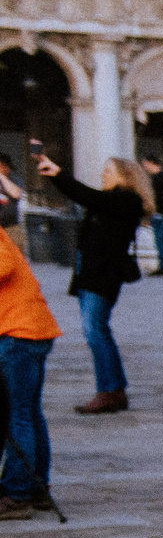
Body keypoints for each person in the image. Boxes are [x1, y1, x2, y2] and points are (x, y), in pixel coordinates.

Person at [40, 152, 145, 415]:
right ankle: (115, 388)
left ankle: (109, 390)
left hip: (103, 275)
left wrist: (58, 174)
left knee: (95, 330)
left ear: (124, 176)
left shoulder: (125, 199)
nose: (102, 175)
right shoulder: (113, 200)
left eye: (108, 171)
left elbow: (85, 195)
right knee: (98, 330)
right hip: (93, 274)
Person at [0, 214, 56, 518]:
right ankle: (37, 487)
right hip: (31, 330)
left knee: (17, 415)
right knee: (29, 413)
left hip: (18, 334)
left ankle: (18, 494)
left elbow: (4, 265)